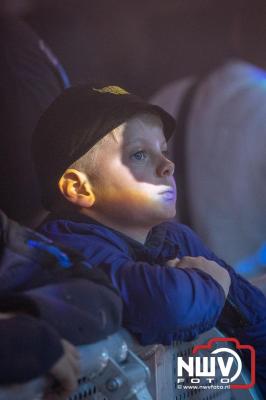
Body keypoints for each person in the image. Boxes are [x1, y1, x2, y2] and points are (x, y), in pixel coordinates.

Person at [31, 85, 266, 395]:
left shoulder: (173, 237)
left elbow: (256, 316)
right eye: (139, 154)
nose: (167, 165)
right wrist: (214, 283)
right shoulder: (67, 249)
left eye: (163, 150)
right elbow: (169, 307)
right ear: (80, 189)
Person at [0, 208, 122, 399]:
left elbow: (100, 295)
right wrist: (16, 337)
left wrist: (21, 316)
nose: (168, 175)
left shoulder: (7, 238)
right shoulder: (75, 235)